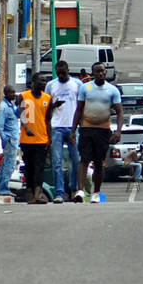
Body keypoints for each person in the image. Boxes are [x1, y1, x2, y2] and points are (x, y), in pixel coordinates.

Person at [72, 61, 123, 202]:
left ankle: (96, 192)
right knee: (84, 159)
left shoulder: (112, 90)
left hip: (103, 130)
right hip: (87, 128)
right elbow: (79, 110)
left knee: (99, 161)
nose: (100, 73)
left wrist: (118, 131)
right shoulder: (85, 88)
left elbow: (119, 112)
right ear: (93, 73)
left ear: (106, 72)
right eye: (97, 71)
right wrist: (73, 130)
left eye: (102, 71)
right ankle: (80, 191)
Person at [45, 59, 81, 203]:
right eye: (58, 73)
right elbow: (46, 108)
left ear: (68, 70)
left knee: (76, 160)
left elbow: (81, 106)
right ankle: (59, 193)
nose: (61, 76)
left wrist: (78, 127)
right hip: (56, 127)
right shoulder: (50, 85)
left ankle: (73, 188)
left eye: (63, 73)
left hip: (72, 126)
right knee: (57, 162)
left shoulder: (77, 84)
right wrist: (54, 105)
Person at [19, 73, 52, 204]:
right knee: (30, 168)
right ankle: (32, 192)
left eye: (45, 81)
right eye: (41, 80)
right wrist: (27, 129)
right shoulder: (24, 96)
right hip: (26, 140)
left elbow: (48, 120)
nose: (44, 83)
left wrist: (49, 138)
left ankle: (37, 194)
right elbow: (22, 116)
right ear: (33, 81)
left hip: (41, 140)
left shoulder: (48, 98)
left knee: (39, 168)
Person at [0, 84, 21, 197]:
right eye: (11, 93)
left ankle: (2, 187)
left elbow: (16, 115)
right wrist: (5, 137)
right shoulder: (4, 107)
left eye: (14, 92)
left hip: (13, 139)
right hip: (9, 140)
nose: (14, 95)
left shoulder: (11, 105)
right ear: (6, 93)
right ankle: (2, 188)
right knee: (9, 164)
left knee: (7, 164)